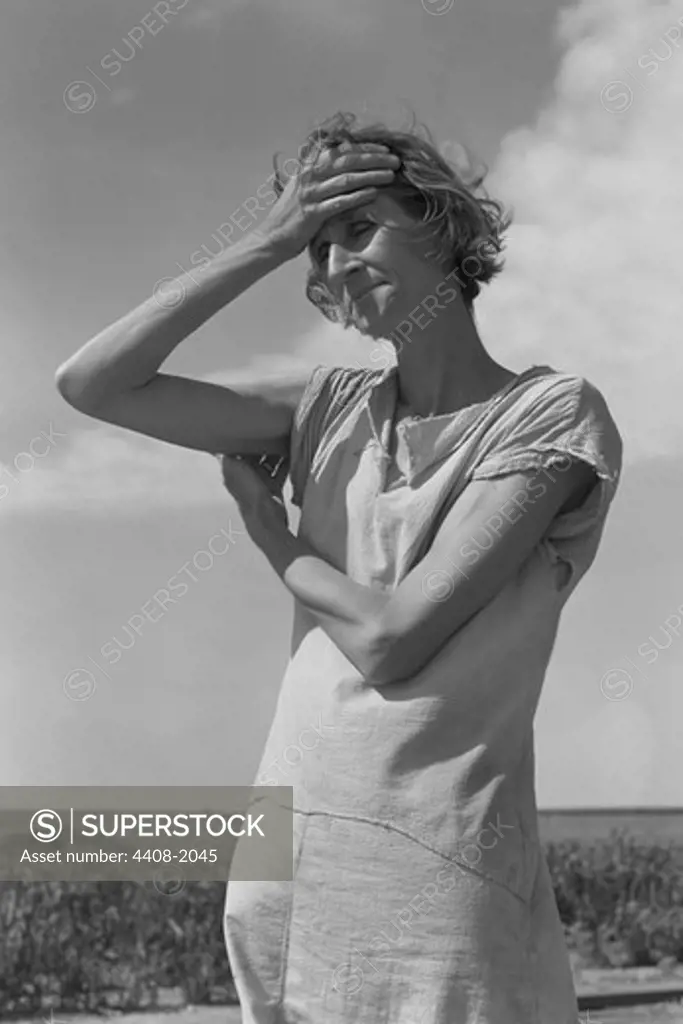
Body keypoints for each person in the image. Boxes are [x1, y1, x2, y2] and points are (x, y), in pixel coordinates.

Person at [56, 111, 623, 1024]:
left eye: (357, 229)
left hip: (443, 881)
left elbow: (392, 641)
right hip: (289, 868)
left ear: (442, 225)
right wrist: (266, 241)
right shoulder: (325, 407)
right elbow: (94, 384)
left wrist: (268, 533)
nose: (332, 266)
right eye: (313, 250)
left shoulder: (551, 417)